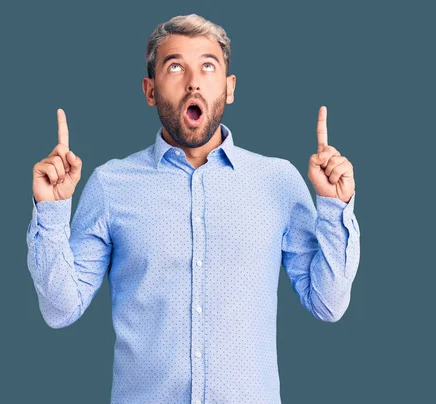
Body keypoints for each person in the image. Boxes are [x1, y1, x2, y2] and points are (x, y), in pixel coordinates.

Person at [27, 13, 360, 404]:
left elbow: (328, 303)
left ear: (229, 87)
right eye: (175, 66)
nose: (193, 81)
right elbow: (60, 309)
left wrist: (335, 206)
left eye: (208, 65)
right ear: (150, 90)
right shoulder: (110, 185)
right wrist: (51, 212)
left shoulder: (279, 181)